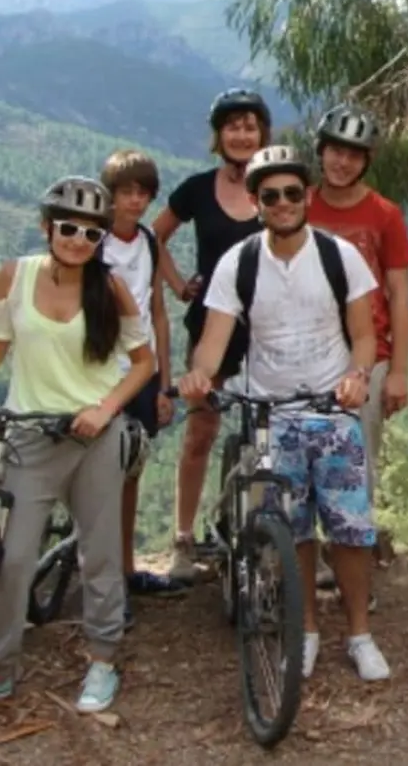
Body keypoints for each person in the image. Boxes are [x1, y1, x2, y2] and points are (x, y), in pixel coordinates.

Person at [176, 145, 390, 681]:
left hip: (331, 406)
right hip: (269, 413)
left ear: (307, 196)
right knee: (292, 530)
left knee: (350, 529)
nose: (283, 202)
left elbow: (364, 336)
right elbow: (213, 340)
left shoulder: (341, 256)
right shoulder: (239, 262)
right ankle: (307, 631)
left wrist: (358, 377)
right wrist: (199, 375)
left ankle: (360, 633)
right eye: (270, 195)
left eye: (292, 192)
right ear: (255, 202)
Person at [0, 177, 155, 712]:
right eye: (67, 227)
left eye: (91, 232)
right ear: (46, 228)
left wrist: (104, 409)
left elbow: (143, 364)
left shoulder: (110, 289)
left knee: (101, 552)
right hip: (30, 436)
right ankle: (3, 664)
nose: (77, 239)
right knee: (15, 558)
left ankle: (103, 660)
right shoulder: (14, 277)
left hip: (95, 437)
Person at [153, 89, 271, 582]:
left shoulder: (278, 187)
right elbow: (152, 235)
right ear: (218, 136)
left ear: (263, 133)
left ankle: (278, 537)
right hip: (211, 327)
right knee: (201, 430)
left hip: (269, 326)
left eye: (250, 126)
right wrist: (179, 285)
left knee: (275, 434)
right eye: (232, 126)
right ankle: (183, 539)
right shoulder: (198, 189)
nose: (242, 135)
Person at [308, 103, 408, 597]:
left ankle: (352, 567)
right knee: (302, 458)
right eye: (335, 151)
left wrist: (398, 371)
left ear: (365, 161)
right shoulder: (299, 204)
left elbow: (398, 292)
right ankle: (305, 563)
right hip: (305, 351)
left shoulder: (384, 215)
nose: (341, 163)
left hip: (366, 355)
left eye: (353, 155)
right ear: (321, 151)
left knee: (358, 467)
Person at [99, 150, 188, 626]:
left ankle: (128, 570)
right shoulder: (93, 242)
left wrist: (165, 384)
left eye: (142, 192)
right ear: (109, 195)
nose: (134, 201)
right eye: (125, 192)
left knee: (130, 472)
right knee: (100, 479)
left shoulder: (150, 241)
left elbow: (158, 311)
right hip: (101, 374)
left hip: (143, 370)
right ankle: (105, 580)